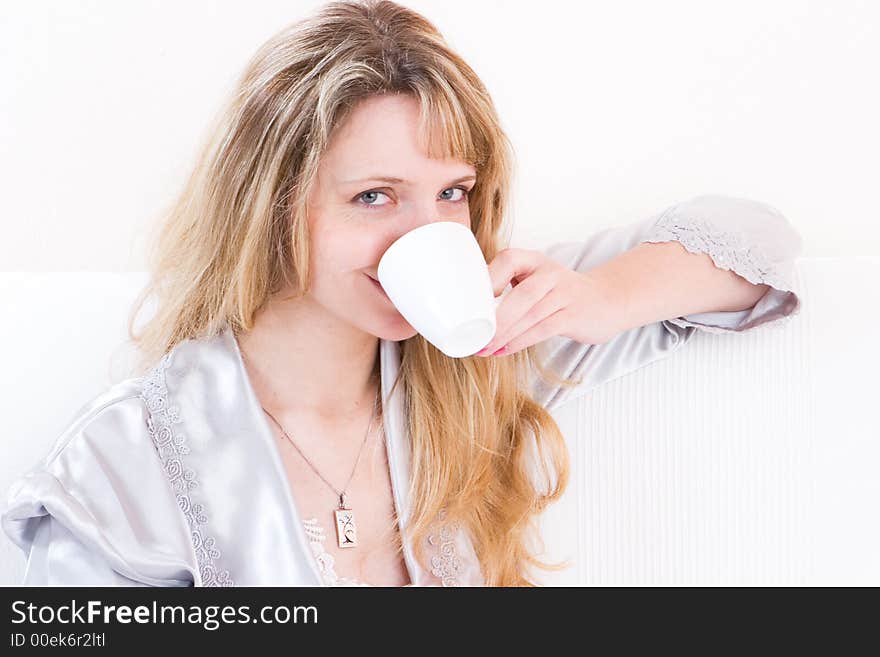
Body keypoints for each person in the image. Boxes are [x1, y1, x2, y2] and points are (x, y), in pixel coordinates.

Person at [1, 0, 803, 587]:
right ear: (271, 207)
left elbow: (759, 244)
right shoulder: (123, 468)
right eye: (375, 197)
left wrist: (598, 297)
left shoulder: (485, 351)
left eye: (452, 193)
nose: (428, 235)